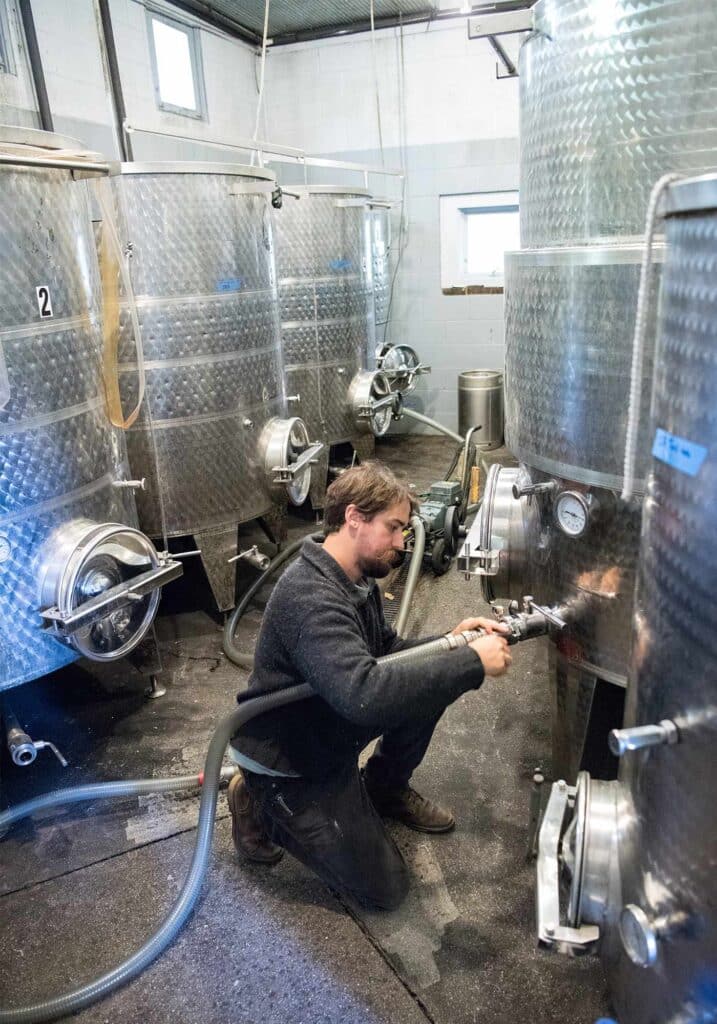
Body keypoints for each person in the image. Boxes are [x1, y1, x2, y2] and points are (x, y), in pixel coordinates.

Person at [227, 461, 512, 911]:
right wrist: (471, 664)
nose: (402, 544)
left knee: (432, 678)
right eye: (394, 528)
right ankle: (260, 803)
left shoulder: (356, 578)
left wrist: (454, 641)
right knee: (386, 892)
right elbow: (365, 696)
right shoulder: (310, 596)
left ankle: (383, 788)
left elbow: (391, 653)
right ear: (354, 518)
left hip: (329, 728)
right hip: (292, 761)